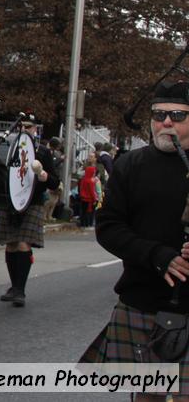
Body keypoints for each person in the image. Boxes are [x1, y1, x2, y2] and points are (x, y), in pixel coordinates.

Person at [81, 81, 189, 392]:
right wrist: (158, 256)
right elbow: (109, 227)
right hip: (141, 303)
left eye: (178, 116)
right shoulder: (130, 165)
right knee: (146, 396)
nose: (166, 122)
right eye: (159, 114)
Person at [0, 113, 59, 307]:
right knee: (11, 243)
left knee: (22, 243)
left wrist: (44, 175)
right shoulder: (10, 147)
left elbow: (55, 181)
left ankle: (20, 290)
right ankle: (14, 286)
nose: (24, 130)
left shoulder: (43, 152)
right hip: (11, 201)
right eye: (21, 126)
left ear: (35, 129)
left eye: (28, 126)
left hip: (33, 201)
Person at [78, 153, 99, 228]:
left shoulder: (84, 180)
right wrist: (95, 198)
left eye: (92, 157)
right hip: (90, 198)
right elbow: (92, 190)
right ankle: (87, 224)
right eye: (89, 156)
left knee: (84, 211)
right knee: (88, 211)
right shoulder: (90, 181)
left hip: (84, 197)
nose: (89, 158)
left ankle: (83, 223)